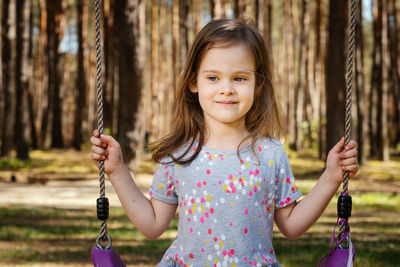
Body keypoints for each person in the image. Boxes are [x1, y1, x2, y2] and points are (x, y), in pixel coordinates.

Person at [90, 19, 359, 267]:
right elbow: (152, 226)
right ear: (193, 81)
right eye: (213, 77)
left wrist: (331, 177)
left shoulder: (270, 153)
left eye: (240, 78)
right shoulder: (179, 155)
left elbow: (291, 226)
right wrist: (117, 170)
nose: (226, 88)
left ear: (258, 84)